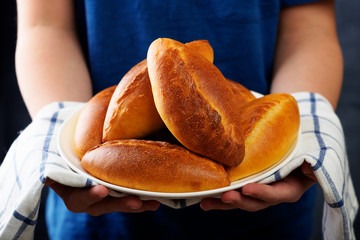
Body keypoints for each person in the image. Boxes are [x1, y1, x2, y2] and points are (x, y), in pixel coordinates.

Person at [15, 0, 343, 239]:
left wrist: (302, 145)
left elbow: (309, 30)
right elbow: (45, 26)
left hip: (265, 210)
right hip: (98, 220)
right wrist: (64, 159)